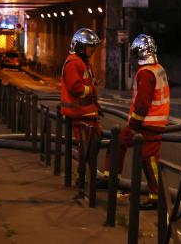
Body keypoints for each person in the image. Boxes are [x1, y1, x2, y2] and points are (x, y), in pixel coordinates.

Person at [106, 33, 170, 211]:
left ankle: (157, 196)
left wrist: (134, 125)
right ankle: (111, 178)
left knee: (147, 160)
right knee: (122, 144)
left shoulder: (146, 73)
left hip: (146, 124)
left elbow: (142, 104)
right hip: (153, 122)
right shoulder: (158, 68)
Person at [60, 28, 101, 145]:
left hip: (86, 114)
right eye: (90, 46)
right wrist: (92, 89)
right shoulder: (74, 63)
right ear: (80, 47)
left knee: (93, 145)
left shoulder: (82, 61)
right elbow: (75, 88)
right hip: (79, 114)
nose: (94, 49)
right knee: (86, 148)